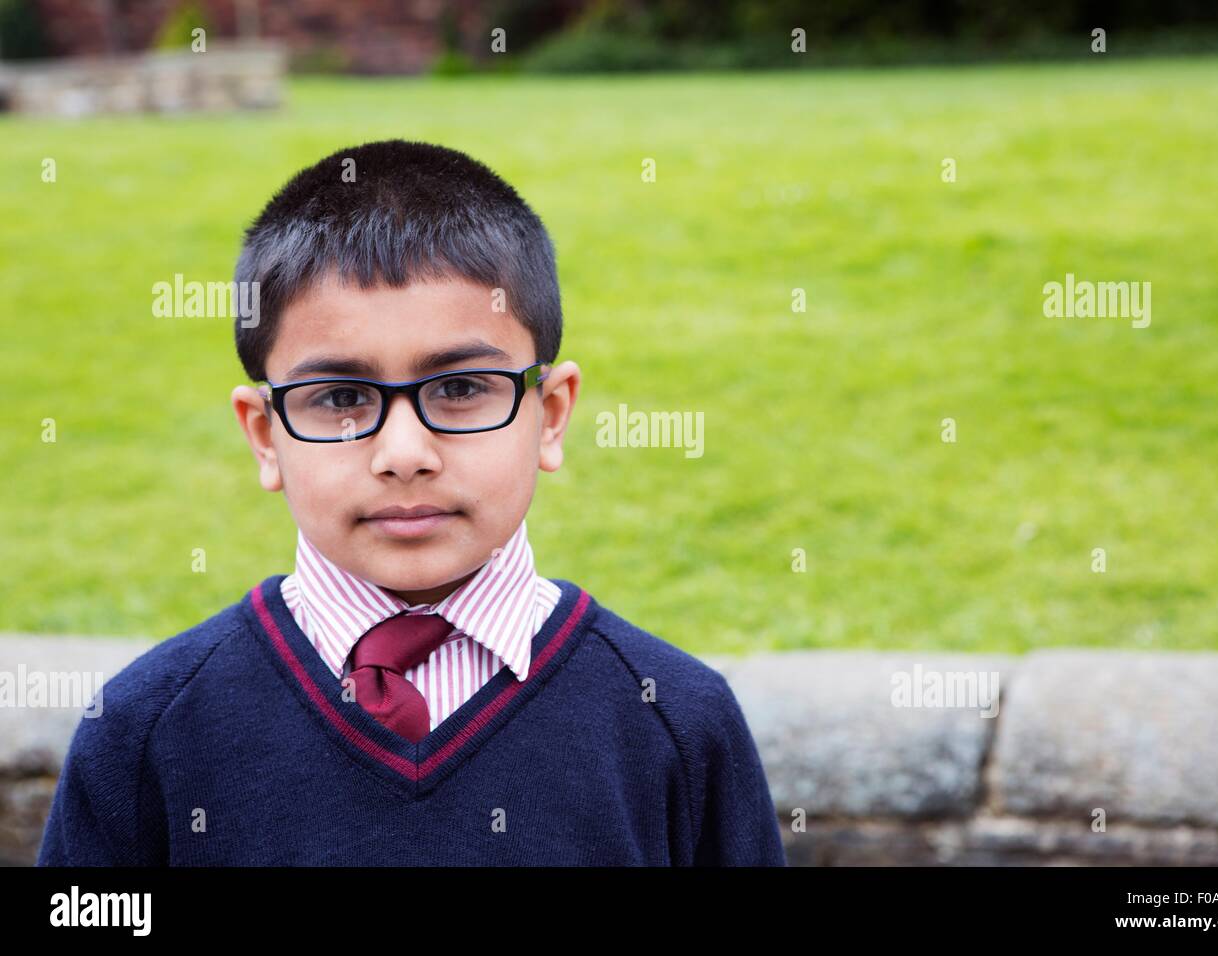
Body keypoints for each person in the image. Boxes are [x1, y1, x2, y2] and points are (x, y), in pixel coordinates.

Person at [36, 139, 786, 866]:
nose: (404, 455)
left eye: (459, 390)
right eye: (339, 397)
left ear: (551, 414)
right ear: (264, 435)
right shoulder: (147, 731)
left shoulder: (678, 725)